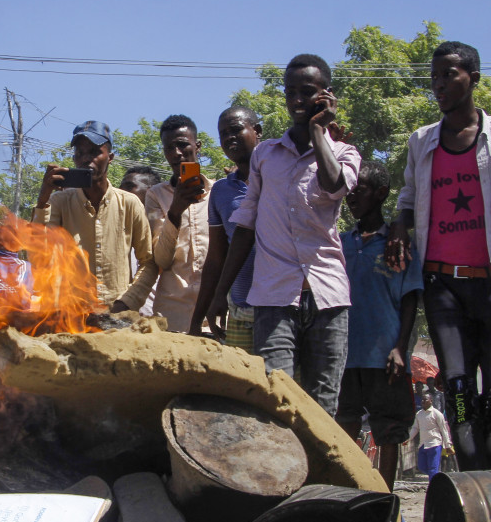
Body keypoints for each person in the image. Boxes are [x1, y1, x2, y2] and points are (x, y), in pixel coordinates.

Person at [386, 40, 491, 471]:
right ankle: (471, 491)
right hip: (443, 286)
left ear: (474, 78)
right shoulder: (422, 141)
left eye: (449, 75)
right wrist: (401, 226)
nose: (439, 84)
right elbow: (408, 195)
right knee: (459, 393)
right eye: (435, 77)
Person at [208, 54, 361, 415]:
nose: (296, 101)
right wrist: (220, 295)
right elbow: (245, 227)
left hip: (327, 298)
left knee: (323, 405)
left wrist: (320, 131)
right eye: (290, 92)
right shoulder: (266, 155)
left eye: (306, 92)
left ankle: (322, 474)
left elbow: (334, 185)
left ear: (326, 95)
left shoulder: (344, 153)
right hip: (274, 298)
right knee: (276, 398)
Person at [336, 160, 424, 490]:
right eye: (349, 190)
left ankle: (385, 499)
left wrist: (400, 348)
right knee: (342, 427)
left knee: (388, 431)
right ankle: (344, 493)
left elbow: (410, 299)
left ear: (382, 194)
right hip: (346, 355)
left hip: (384, 356)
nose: (352, 196)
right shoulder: (341, 243)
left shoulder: (397, 245)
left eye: (360, 189)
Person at [33, 121, 153, 312]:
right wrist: (42, 199)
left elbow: (148, 262)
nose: (86, 159)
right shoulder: (58, 202)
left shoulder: (129, 203)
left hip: (118, 318)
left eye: (94, 152)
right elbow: (39, 258)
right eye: (79, 153)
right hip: (73, 318)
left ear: (110, 157)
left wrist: (127, 301)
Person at [190, 106, 263, 351]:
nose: (229, 137)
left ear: (257, 131)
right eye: (223, 134)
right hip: (241, 311)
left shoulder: (278, 176)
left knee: (285, 384)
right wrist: (201, 315)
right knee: (244, 386)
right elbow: (216, 258)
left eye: (236, 129)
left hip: (281, 308)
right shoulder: (221, 191)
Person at [140, 115, 210, 331]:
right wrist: (175, 211)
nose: (176, 153)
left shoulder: (219, 192)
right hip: (172, 316)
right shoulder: (155, 196)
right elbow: (161, 259)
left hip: (214, 315)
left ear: (197, 146)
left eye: (182, 145)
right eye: (169, 147)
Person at [118, 165, 161, 319]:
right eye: (120, 187)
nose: (120, 191)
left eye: (129, 187)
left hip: (154, 319)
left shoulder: (164, 231)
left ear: (151, 191)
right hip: (116, 317)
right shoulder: (114, 228)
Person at [407, 393, 452, 480]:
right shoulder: (419, 414)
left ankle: (433, 488)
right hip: (423, 444)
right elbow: (415, 428)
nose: (423, 402)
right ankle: (437, 478)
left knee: (432, 469)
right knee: (421, 467)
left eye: (425, 400)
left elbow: (444, 430)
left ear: (431, 401)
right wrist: (408, 439)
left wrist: (447, 445)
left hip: (434, 444)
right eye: (422, 400)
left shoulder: (437, 414)